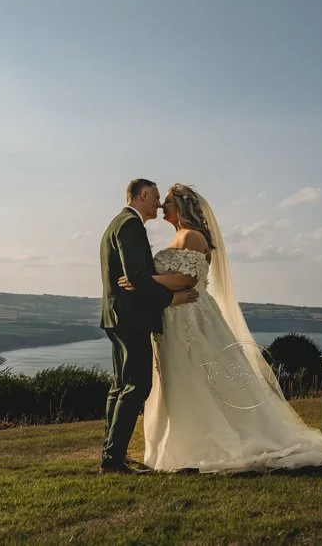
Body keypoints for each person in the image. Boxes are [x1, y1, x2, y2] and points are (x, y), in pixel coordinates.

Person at [119, 183, 322, 473]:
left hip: (192, 318)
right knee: (182, 379)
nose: (162, 205)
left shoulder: (191, 236)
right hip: (175, 317)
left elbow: (188, 279)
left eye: (167, 201)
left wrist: (142, 282)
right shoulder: (180, 236)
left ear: (182, 206)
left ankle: (204, 444)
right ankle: (178, 444)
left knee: (197, 377)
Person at [98, 178, 199, 474]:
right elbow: (138, 278)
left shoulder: (117, 223)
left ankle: (111, 454)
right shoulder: (130, 225)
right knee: (137, 385)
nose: (158, 204)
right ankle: (113, 460)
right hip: (130, 317)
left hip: (116, 316)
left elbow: (135, 279)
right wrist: (172, 298)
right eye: (155, 198)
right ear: (143, 195)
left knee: (120, 385)